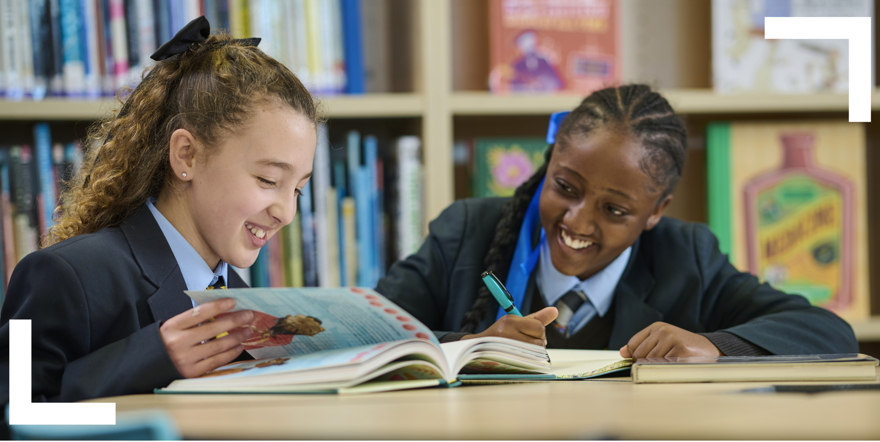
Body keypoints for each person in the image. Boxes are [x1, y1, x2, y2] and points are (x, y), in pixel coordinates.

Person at [376, 84, 858, 359]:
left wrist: (716, 347)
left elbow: (827, 332)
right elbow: (366, 335)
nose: (577, 220)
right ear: (548, 166)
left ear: (656, 213)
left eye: (614, 210)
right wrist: (468, 346)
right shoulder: (465, 232)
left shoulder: (687, 256)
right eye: (565, 187)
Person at [0, 17, 317, 407]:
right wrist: (146, 360)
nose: (286, 212)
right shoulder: (55, 276)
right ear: (187, 154)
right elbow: (11, 420)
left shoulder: (245, 304)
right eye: (268, 180)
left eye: (299, 189)